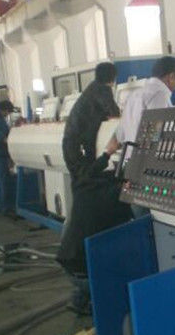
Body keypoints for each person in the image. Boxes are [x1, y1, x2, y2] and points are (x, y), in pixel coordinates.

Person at [57, 62, 132, 315]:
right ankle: (95, 297)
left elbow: (90, 175)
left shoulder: (84, 187)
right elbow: (114, 112)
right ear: (113, 78)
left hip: (68, 261)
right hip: (80, 151)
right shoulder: (102, 90)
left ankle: (80, 297)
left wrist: (106, 154)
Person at [112, 56, 175, 218]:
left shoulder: (136, 94)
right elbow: (153, 133)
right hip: (146, 167)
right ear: (171, 76)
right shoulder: (160, 93)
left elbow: (120, 134)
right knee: (152, 218)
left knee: (139, 216)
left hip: (130, 164)